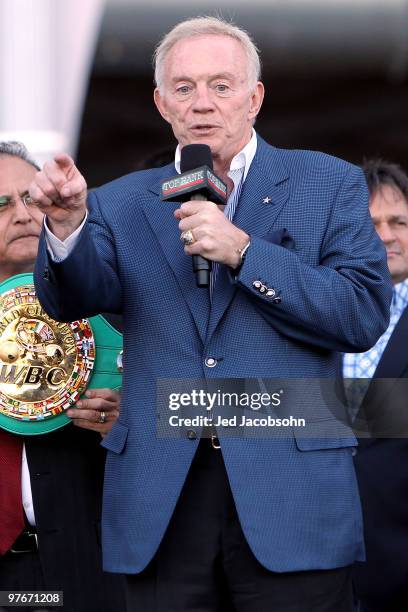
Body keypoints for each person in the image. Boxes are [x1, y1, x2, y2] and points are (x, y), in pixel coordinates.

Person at [31, 16, 392, 612]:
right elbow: (72, 301)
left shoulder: (327, 182)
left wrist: (245, 253)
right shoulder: (119, 201)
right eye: (184, 87)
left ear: (255, 98)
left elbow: (360, 314)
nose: (202, 103)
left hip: (289, 495)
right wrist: (67, 228)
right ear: (160, 103)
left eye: (221, 86)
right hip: (161, 501)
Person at [0, 142, 125, 612]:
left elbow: (183, 421)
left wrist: (126, 419)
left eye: (30, 197)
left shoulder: (112, 304)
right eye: (2, 203)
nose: (22, 214)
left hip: (89, 567)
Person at [343, 159, 408, 612]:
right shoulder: (317, 311)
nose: (385, 235)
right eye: (372, 224)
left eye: (399, 222)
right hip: (316, 560)